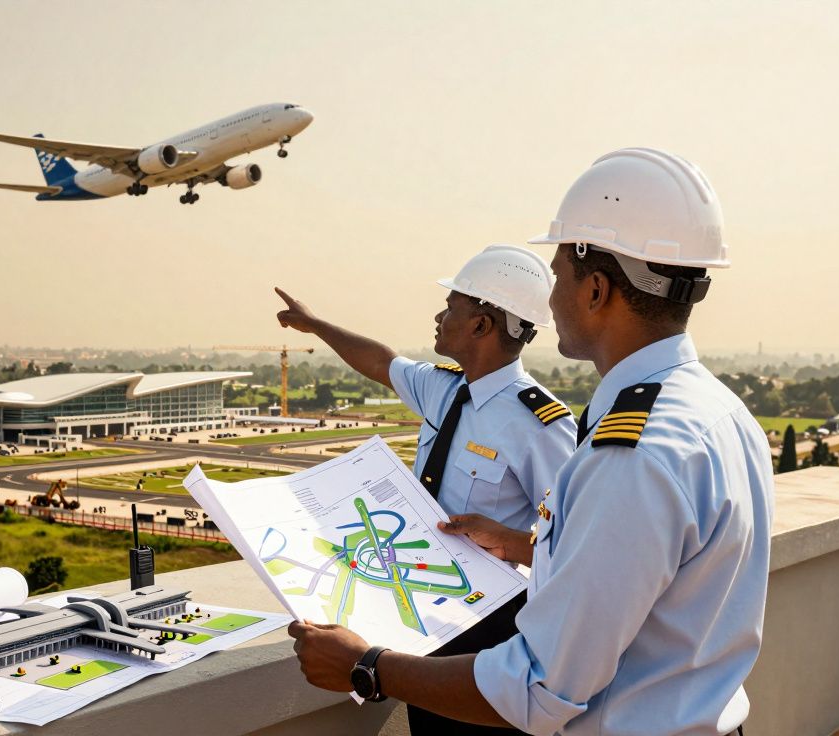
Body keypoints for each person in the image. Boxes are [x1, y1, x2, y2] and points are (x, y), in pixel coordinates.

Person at [288, 148, 774, 736]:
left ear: (595, 290)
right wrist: (526, 545)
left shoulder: (633, 453)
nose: (551, 298)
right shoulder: (719, 412)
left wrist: (367, 667)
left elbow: (540, 689)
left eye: (560, 275)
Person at [276, 243, 577, 735]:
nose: (439, 315)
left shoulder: (539, 424)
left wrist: (505, 537)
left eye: (453, 306)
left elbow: (574, 543)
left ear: (482, 325)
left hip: (490, 628)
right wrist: (317, 326)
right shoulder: (443, 386)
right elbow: (381, 362)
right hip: (422, 614)